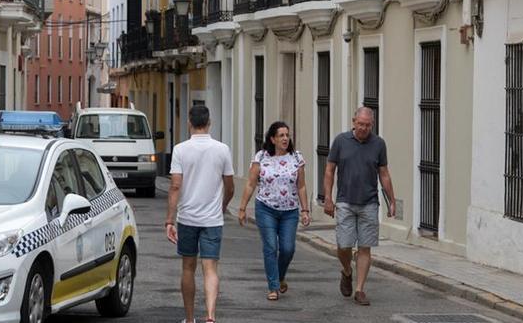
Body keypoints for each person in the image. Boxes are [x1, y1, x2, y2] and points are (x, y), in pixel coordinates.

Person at [165, 105, 235, 323]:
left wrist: (169, 219)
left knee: (188, 267)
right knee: (210, 267)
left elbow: (175, 186)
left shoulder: (180, 150)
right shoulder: (222, 149)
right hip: (212, 219)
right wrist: (222, 206)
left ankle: (189, 318)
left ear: (189, 123)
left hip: (187, 218)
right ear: (209, 123)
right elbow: (230, 186)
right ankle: (211, 315)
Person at [323, 107, 396, 306]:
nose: (364, 128)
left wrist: (392, 201)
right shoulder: (340, 141)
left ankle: (359, 289)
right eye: (360, 124)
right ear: (354, 121)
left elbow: (384, 173)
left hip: (369, 203)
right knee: (343, 246)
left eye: (367, 125)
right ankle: (347, 270)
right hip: (345, 201)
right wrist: (328, 198)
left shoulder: (379, 144)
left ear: (372, 125)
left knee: (365, 247)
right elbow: (330, 170)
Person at [237, 121, 311, 301]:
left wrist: (305, 210)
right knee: (270, 247)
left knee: (288, 249)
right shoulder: (261, 157)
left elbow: (301, 186)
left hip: (290, 211)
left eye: (287, 135)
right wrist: (242, 207)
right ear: (272, 139)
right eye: (281, 135)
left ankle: (280, 276)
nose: (285, 138)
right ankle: (273, 286)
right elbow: (251, 183)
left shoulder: (296, 158)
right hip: (266, 209)